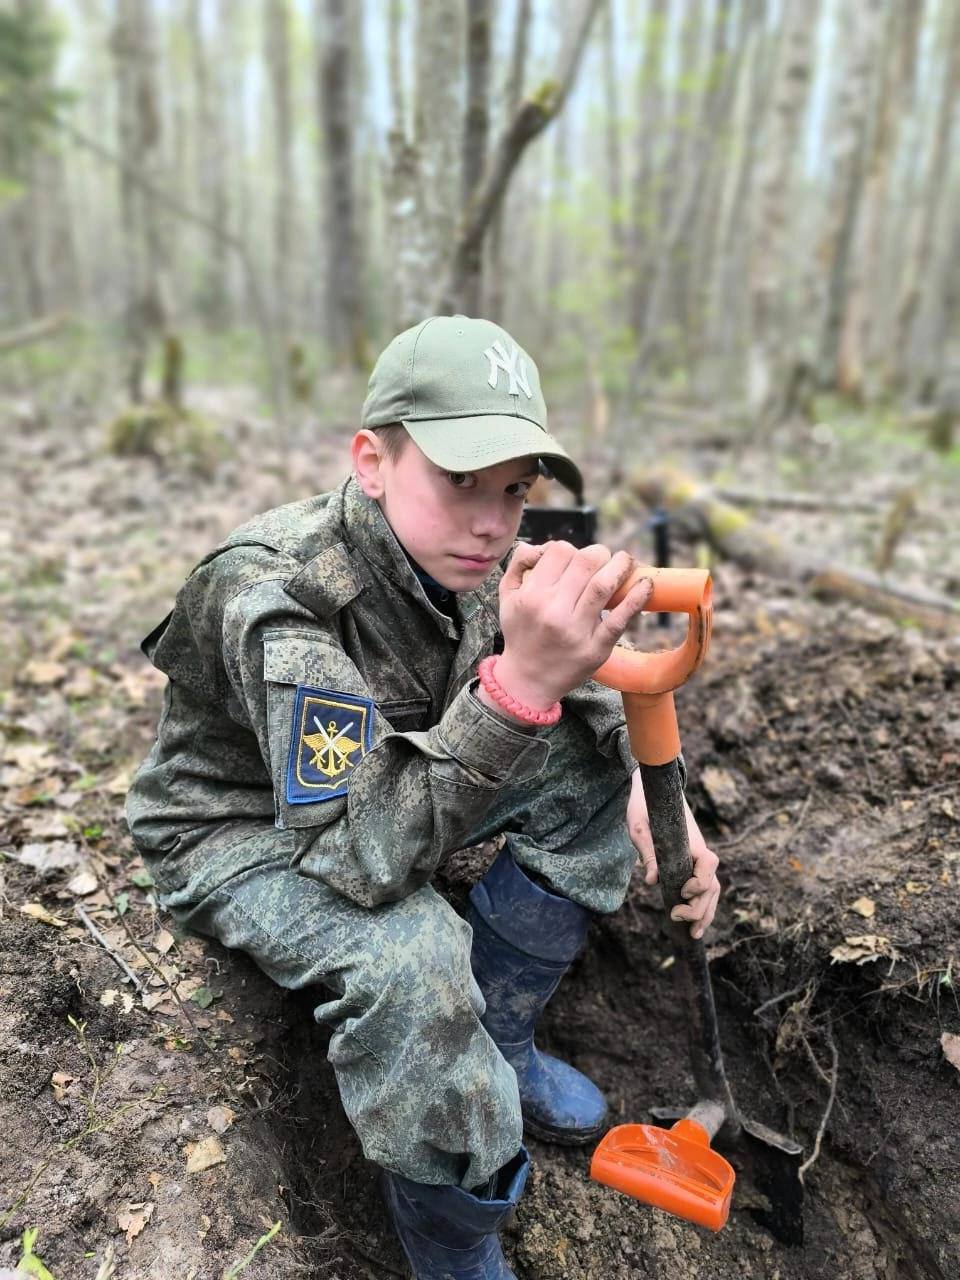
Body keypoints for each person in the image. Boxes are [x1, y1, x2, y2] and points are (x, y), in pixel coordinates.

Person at [125, 315, 721, 1279]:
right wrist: (518, 687)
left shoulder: (470, 554)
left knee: (593, 773)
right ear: (372, 460)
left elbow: (581, 687)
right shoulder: (280, 596)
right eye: (459, 481)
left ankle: (504, 1043)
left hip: (386, 794)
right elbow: (361, 856)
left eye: (515, 489)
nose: (493, 521)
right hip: (245, 829)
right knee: (415, 957)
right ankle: (452, 1246)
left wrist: (656, 795)